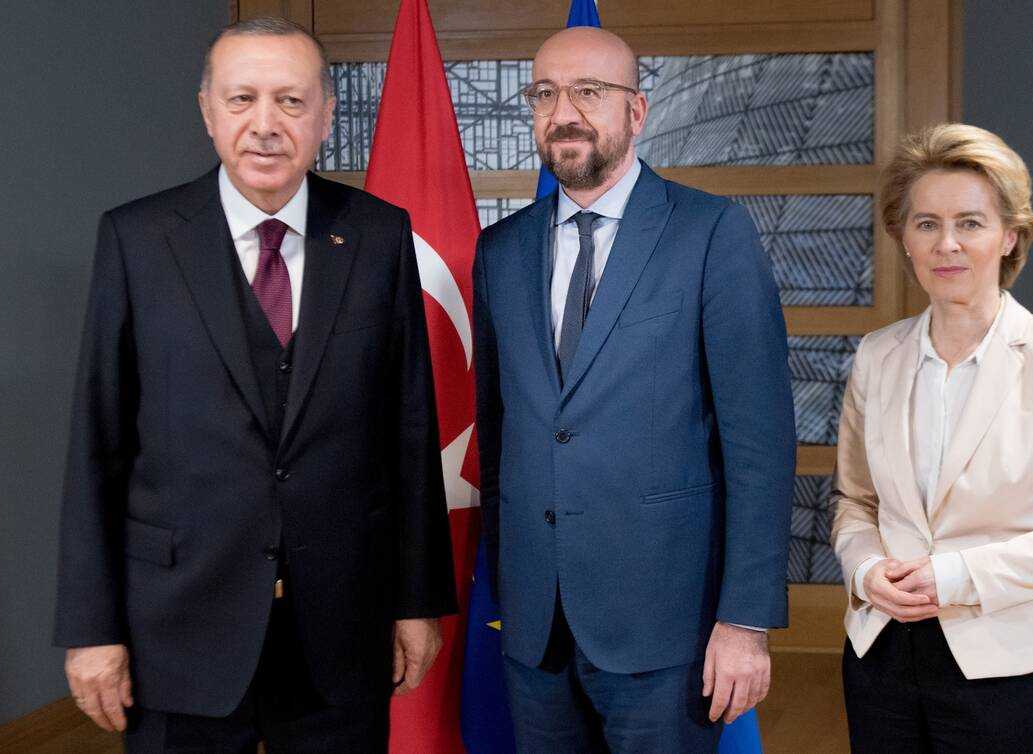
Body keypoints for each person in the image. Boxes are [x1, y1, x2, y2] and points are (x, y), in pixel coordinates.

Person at [53, 17, 456, 752]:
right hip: (176, 630)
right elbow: (97, 443)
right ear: (207, 111)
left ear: (326, 116)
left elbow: (409, 431)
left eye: (291, 101)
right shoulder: (137, 239)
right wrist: (90, 628)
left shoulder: (378, 236)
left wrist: (416, 602)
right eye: (242, 99)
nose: (265, 125)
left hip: (342, 627)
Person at [472, 26, 796, 753]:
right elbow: (499, 436)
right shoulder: (500, 251)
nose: (564, 112)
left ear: (637, 110)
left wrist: (745, 622)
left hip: (667, 628)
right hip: (535, 627)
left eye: (588, 91)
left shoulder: (711, 233)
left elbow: (760, 446)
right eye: (545, 94)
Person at [831, 123, 1033, 752]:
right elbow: (855, 501)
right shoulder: (877, 355)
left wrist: (957, 576)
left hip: (1010, 667)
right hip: (879, 656)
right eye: (926, 224)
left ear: (1010, 235)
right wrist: (864, 570)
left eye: (970, 223)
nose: (947, 244)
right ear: (904, 237)